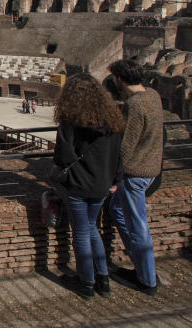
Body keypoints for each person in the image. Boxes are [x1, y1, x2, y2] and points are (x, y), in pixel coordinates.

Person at [51, 73, 124, 299]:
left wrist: (70, 174)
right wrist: (115, 180)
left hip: (79, 185)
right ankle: (103, 278)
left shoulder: (71, 120)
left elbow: (63, 155)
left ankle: (87, 282)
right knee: (93, 229)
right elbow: (118, 156)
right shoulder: (113, 120)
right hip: (103, 184)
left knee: (81, 233)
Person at [107, 59, 163, 296]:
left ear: (119, 79)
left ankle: (147, 280)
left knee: (138, 226)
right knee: (116, 211)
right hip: (151, 169)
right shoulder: (153, 95)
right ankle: (142, 265)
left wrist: (112, 179)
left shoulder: (134, 105)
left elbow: (125, 146)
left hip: (134, 174)